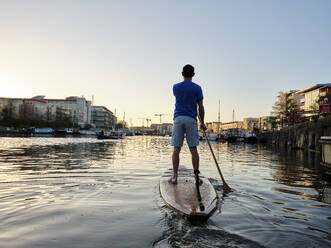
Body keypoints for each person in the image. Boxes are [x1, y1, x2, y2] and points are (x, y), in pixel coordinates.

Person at [170, 64, 206, 184]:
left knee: (176, 149)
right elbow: (200, 107)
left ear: (182, 74)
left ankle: (175, 177)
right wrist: (202, 123)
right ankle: (196, 177)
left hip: (178, 119)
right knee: (193, 149)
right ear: (193, 75)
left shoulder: (175, 87)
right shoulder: (198, 88)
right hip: (191, 119)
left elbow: (181, 99)